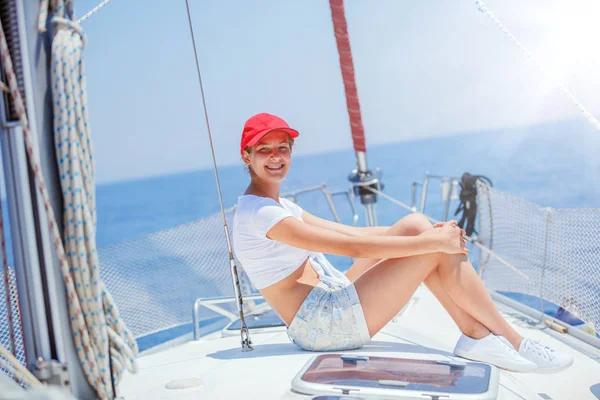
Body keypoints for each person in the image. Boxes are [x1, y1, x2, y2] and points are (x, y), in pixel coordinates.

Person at [232, 112, 573, 373]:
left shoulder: (277, 205)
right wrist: (433, 242)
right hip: (323, 326)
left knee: (414, 224)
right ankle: (512, 340)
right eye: (264, 150)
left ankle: (476, 336)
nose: (275, 156)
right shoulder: (261, 213)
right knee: (432, 248)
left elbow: (353, 233)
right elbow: (354, 250)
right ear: (247, 156)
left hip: (329, 298)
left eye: (282, 148)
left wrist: (425, 233)